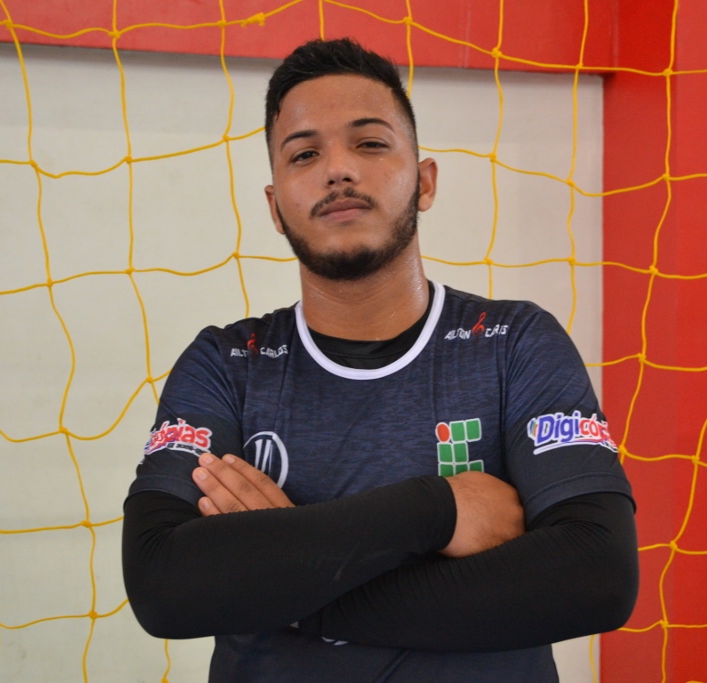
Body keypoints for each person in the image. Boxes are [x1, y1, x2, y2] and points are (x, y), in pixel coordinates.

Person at [122, 38, 638, 682]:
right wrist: (436, 511)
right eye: (305, 154)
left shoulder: (514, 342)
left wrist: (284, 580)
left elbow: (595, 576)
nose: (339, 169)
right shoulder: (227, 364)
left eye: (369, 143)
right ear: (275, 207)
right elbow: (164, 585)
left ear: (425, 182)